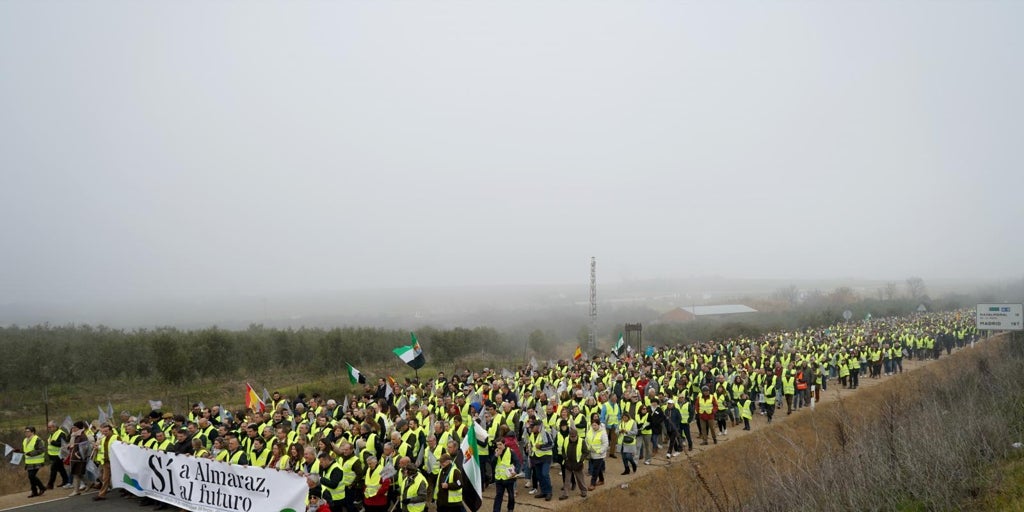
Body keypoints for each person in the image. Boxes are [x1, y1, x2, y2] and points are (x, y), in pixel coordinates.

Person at [558, 428, 588, 500]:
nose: (573, 438)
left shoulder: (582, 441)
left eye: (574, 436)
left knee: (580, 479)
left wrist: (581, 460)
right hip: (568, 463)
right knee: (567, 480)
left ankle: (584, 491)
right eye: (571, 437)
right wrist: (565, 458)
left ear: (577, 435)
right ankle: (565, 494)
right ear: (569, 436)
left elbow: (586, 452)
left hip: (578, 463)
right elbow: (563, 450)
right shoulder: (566, 440)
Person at [528, 420, 554, 501]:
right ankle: (543, 491)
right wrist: (528, 449)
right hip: (536, 458)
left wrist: (541, 446)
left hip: (545, 457)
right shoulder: (532, 435)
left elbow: (551, 444)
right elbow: (532, 445)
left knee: (545, 474)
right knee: (539, 475)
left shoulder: (545, 433)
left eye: (532, 427)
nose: (531, 429)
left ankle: (549, 492)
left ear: (537, 427)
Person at [92, 423, 117, 501]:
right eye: (103, 432)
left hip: (115, 462)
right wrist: (98, 447)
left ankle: (127, 491)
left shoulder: (116, 437)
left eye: (106, 431)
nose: (104, 433)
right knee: (105, 478)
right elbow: (103, 448)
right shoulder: (103, 438)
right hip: (106, 462)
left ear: (110, 430)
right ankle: (101, 494)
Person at [493, 438, 518, 512]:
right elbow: (492, 463)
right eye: (497, 445)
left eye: (500, 444)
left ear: (504, 444)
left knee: (511, 495)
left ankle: (510, 508)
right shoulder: (496, 452)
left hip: (509, 477)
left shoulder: (510, 451)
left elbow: (517, 462)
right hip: (499, 478)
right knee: (498, 495)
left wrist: (516, 471)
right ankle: (496, 510)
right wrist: (496, 456)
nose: (499, 446)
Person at [45, 421, 71, 490]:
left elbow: (62, 444)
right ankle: (66, 481)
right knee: (60, 468)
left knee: (53, 468)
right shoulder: (52, 433)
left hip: (59, 455)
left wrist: (53, 442)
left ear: (55, 427)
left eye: (50, 427)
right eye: (48, 427)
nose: (49, 428)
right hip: (53, 455)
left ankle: (50, 484)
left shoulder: (61, 433)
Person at [22, 426, 47, 498]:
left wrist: (31, 453)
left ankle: (42, 487)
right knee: (31, 477)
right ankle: (34, 491)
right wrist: (19, 451)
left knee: (31, 476)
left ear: (32, 432)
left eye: (28, 431)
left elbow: (42, 450)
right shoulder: (25, 440)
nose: (26, 433)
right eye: (25, 431)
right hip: (29, 462)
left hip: (37, 461)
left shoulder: (38, 439)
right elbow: (25, 450)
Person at [67, 421, 90, 496]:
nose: (73, 429)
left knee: (76, 474)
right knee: (79, 474)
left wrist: (78, 454)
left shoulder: (82, 436)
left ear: (79, 428)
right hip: (73, 458)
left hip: (79, 459)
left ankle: (76, 491)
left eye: (75, 427)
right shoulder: (74, 435)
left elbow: (85, 448)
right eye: (73, 427)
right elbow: (72, 446)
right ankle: (90, 483)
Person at [585, 418, 607, 490]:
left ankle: (592, 484)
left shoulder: (603, 433)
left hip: (599, 455)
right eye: (592, 425)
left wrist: (600, 451)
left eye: (595, 425)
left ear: (598, 425)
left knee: (595, 469)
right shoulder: (589, 431)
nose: (594, 427)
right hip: (591, 453)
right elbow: (586, 440)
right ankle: (601, 480)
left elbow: (605, 444)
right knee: (598, 468)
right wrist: (587, 448)